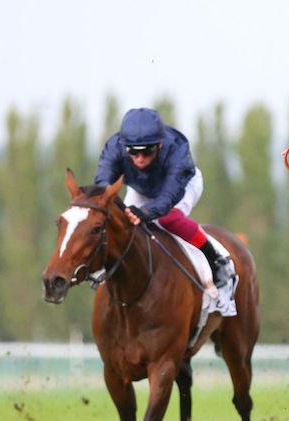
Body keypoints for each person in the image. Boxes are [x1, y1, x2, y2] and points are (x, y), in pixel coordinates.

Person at [94, 107, 231, 287]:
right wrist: (120, 208)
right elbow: (103, 187)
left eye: (147, 151)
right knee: (121, 222)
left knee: (168, 219)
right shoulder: (114, 147)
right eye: (133, 152)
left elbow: (168, 197)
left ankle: (214, 259)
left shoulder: (177, 149)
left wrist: (145, 212)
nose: (140, 158)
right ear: (124, 146)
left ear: (160, 144)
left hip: (182, 185)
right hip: (141, 188)